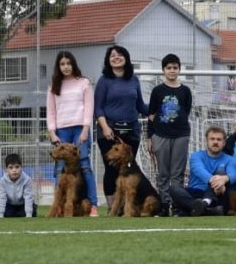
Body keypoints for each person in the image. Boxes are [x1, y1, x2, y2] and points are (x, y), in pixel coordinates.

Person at [95, 44, 148, 213]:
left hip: (132, 132)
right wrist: (104, 127)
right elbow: (98, 107)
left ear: (126, 58)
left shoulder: (134, 80)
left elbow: (140, 105)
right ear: (108, 61)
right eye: (112, 56)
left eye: (119, 55)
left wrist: (154, 109)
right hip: (109, 132)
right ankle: (113, 207)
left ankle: (127, 205)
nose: (116, 57)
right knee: (111, 169)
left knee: (128, 169)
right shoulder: (104, 81)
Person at [46, 50, 98, 216]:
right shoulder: (53, 86)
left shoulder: (84, 83)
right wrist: (52, 133)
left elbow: (89, 108)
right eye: (62, 64)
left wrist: (85, 129)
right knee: (60, 168)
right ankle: (59, 208)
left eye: (68, 63)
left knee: (84, 166)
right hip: (62, 130)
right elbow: (51, 112)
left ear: (73, 64)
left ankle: (93, 205)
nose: (66, 67)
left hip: (80, 129)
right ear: (58, 67)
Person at [147, 53, 193, 216]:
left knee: (177, 173)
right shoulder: (157, 91)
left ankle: (178, 205)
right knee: (163, 173)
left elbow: (185, 111)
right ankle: (165, 205)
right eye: (169, 68)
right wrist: (149, 137)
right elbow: (151, 115)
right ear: (163, 70)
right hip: (160, 135)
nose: (172, 71)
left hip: (181, 135)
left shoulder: (186, 91)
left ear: (179, 69)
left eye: (175, 68)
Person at [183, 126, 236, 216]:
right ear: (207, 141)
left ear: (224, 143)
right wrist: (215, 180)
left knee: (221, 173)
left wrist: (225, 178)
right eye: (212, 139)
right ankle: (208, 210)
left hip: (217, 195)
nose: (215, 142)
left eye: (219, 139)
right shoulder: (196, 156)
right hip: (195, 193)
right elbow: (199, 170)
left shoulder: (230, 159)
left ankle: (203, 204)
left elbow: (233, 175)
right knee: (173, 189)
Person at [0, 153, 37, 217]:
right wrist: (0, 214)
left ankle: (24, 212)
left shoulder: (27, 180)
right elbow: (2, 198)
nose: (14, 170)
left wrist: (29, 214)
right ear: (6, 169)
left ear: (21, 167)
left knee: (32, 211)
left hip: (23, 204)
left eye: (17, 167)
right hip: (10, 205)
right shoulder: (3, 181)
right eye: (11, 167)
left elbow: (28, 197)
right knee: (7, 213)